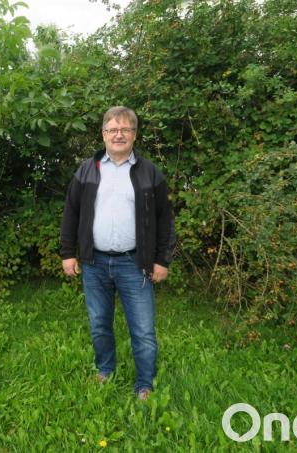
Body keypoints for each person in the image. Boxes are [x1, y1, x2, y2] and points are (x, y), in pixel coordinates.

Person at [60, 106, 175, 400]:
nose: (118, 135)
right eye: (112, 129)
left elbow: (165, 219)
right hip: (94, 262)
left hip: (134, 263)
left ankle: (144, 384)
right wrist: (68, 253)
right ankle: (105, 370)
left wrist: (162, 260)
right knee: (99, 324)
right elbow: (71, 214)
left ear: (135, 135)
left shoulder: (149, 172)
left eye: (125, 129)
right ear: (103, 135)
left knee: (144, 330)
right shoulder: (87, 169)